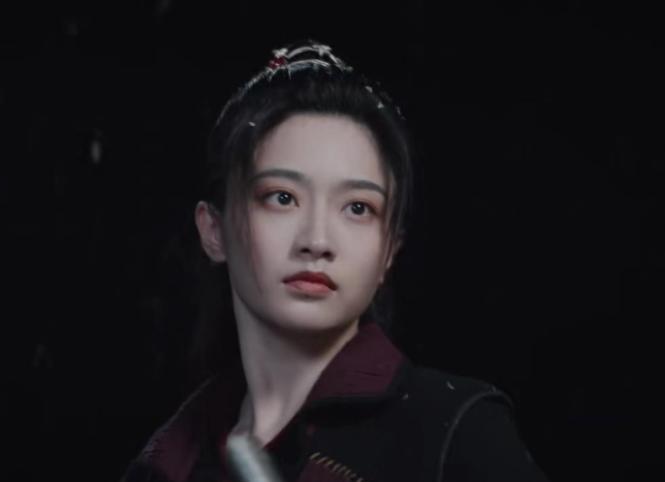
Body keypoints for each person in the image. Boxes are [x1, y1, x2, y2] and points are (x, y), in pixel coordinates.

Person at [120, 39, 551, 482]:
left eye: (358, 207)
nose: (317, 240)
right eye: (282, 198)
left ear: (389, 250)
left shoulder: (459, 433)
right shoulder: (165, 464)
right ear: (213, 231)